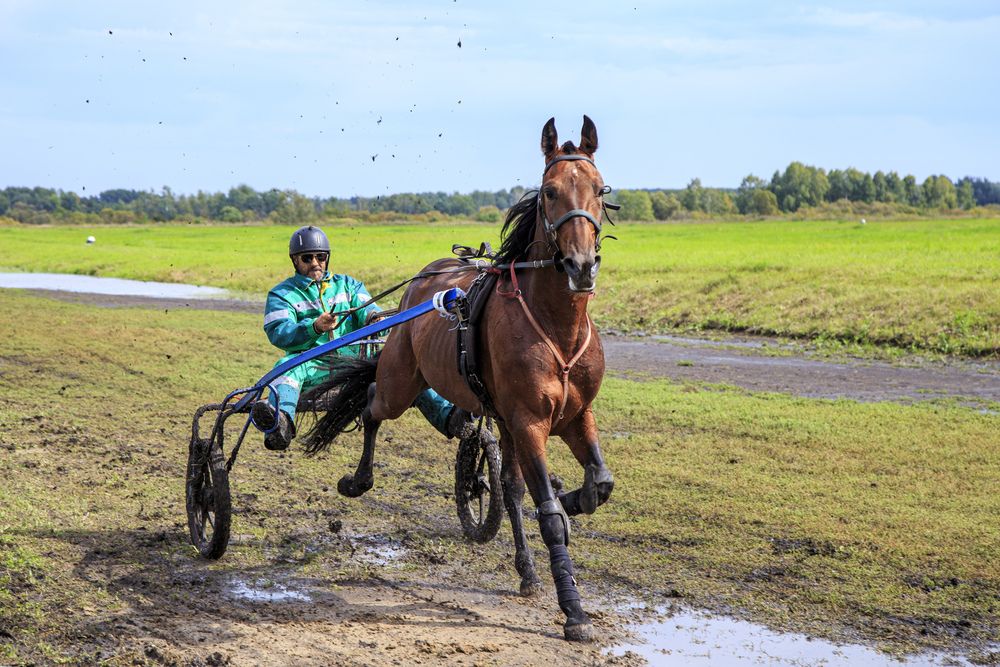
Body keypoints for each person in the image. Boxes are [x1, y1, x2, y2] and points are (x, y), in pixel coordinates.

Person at [251, 225, 478, 451]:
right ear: (295, 261)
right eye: (307, 258)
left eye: (320, 257)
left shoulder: (348, 285)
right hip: (313, 365)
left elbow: (367, 308)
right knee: (284, 367)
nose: (314, 263)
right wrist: (315, 327)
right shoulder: (282, 294)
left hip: (357, 361)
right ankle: (281, 423)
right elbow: (278, 332)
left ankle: (450, 417)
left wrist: (373, 319)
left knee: (404, 366)